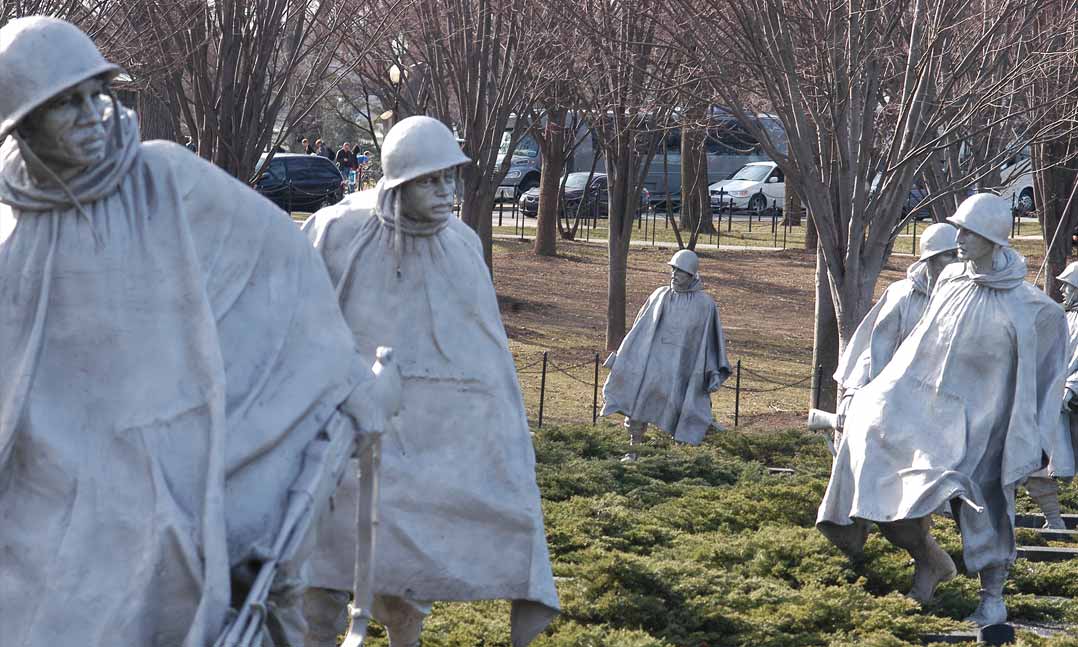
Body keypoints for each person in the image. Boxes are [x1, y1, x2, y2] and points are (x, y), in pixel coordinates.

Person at [0, 16, 397, 647]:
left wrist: (348, 379)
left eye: (92, 95)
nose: (87, 114)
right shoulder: (14, 231)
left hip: (168, 467)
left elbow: (283, 273)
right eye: (62, 104)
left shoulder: (164, 179)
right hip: (50, 480)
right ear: (22, 124)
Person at [301, 116, 559, 647]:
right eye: (430, 180)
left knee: (404, 583)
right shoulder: (337, 232)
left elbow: (488, 363)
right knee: (316, 583)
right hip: (335, 438)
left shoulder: (462, 247)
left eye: (450, 179)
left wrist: (504, 451)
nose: (445, 193)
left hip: (421, 441)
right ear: (398, 183)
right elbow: (295, 334)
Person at [817, 193, 1069, 626]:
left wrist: (1040, 439)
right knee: (884, 476)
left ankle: (993, 597)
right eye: (960, 229)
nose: (961, 238)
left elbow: (1047, 382)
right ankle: (930, 561)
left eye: (970, 231)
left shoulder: (1037, 311)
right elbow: (918, 349)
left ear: (994, 238)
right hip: (931, 415)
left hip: (986, 426)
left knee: (988, 505)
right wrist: (876, 395)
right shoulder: (950, 279)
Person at [600, 249, 731, 461]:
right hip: (652, 366)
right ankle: (634, 450)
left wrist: (713, 372)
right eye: (673, 270)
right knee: (638, 404)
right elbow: (639, 330)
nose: (674, 275)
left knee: (683, 409)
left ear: (691, 275)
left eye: (680, 272)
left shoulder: (705, 304)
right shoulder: (659, 296)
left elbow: (711, 341)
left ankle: (679, 458)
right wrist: (626, 356)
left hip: (684, 370)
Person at [834, 223, 959, 394]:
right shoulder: (902, 295)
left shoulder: (965, 297)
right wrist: (864, 393)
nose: (957, 262)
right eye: (950, 255)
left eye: (959, 255)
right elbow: (878, 350)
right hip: (899, 392)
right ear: (930, 258)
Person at [1023, 261, 1078, 529]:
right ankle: (1054, 519)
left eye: (1069, 285)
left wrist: (1071, 386)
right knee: (1036, 458)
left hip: (1069, 402)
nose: (1063, 290)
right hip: (1050, 400)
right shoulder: (1063, 317)